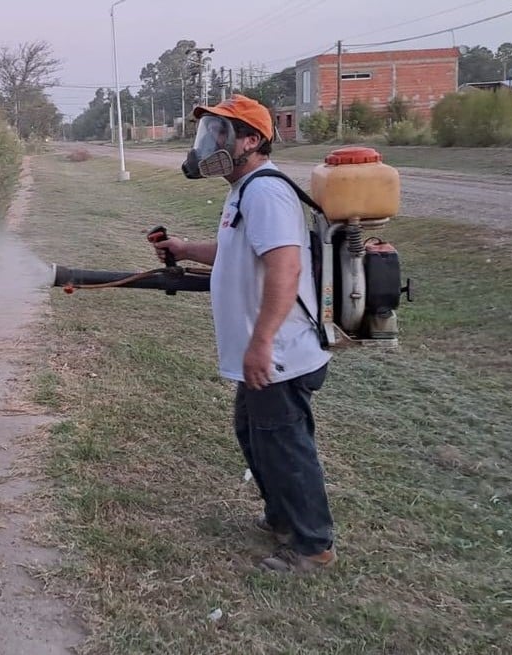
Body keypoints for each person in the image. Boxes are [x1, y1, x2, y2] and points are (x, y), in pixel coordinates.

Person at [150, 94, 336, 574]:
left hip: (280, 353)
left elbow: (286, 268)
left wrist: (262, 343)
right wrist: (185, 249)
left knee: (285, 447)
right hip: (268, 352)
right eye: (209, 132)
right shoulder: (244, 189)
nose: (210, 142)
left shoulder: (265, 191)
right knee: (256, 439)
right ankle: (282, 519)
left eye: (221, 132)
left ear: (251, 140)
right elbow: (238, 249)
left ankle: (313, 546)